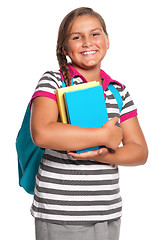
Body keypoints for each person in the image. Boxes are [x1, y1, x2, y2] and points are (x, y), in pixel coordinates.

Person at [30, 7, 148, 240]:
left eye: (95, 34)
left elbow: (139, 151)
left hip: (107, 212)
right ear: (64, 48)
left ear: (107, 40)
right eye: (77, 37)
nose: (87, 42)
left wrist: (100, 155)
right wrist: (103, 136)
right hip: (60, 212)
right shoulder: (53, 81)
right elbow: (42, 133)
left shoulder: (118, 91)